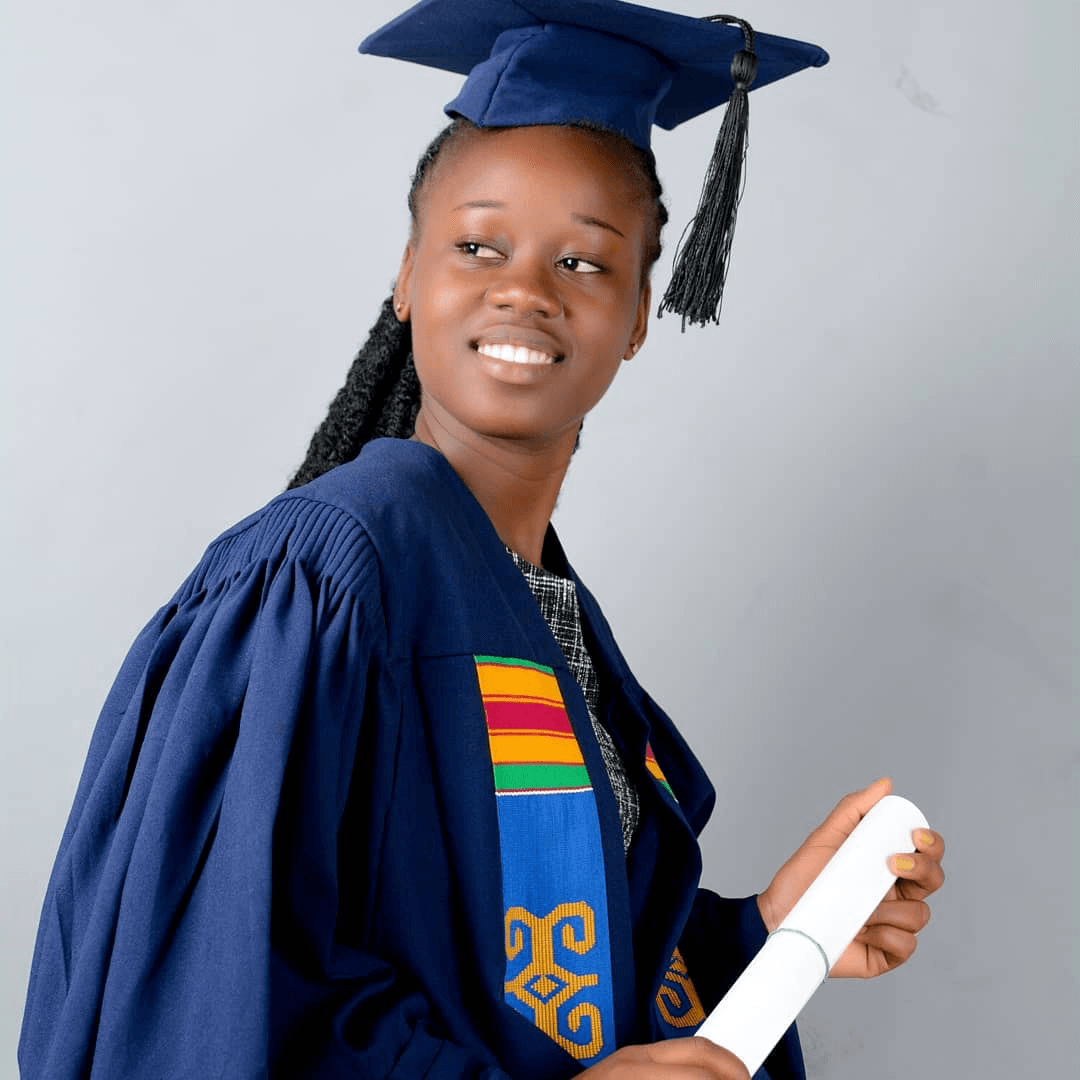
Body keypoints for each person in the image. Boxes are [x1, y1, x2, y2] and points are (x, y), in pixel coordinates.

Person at [19, 2, 946, 1078]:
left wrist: (774, 937)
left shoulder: (542, 609)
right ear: (407, 279)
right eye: (476, 245)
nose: (525, 289)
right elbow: (213, 1003)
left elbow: (538, 978)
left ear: (640, 318)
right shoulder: (322, 574)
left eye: (585, 263)